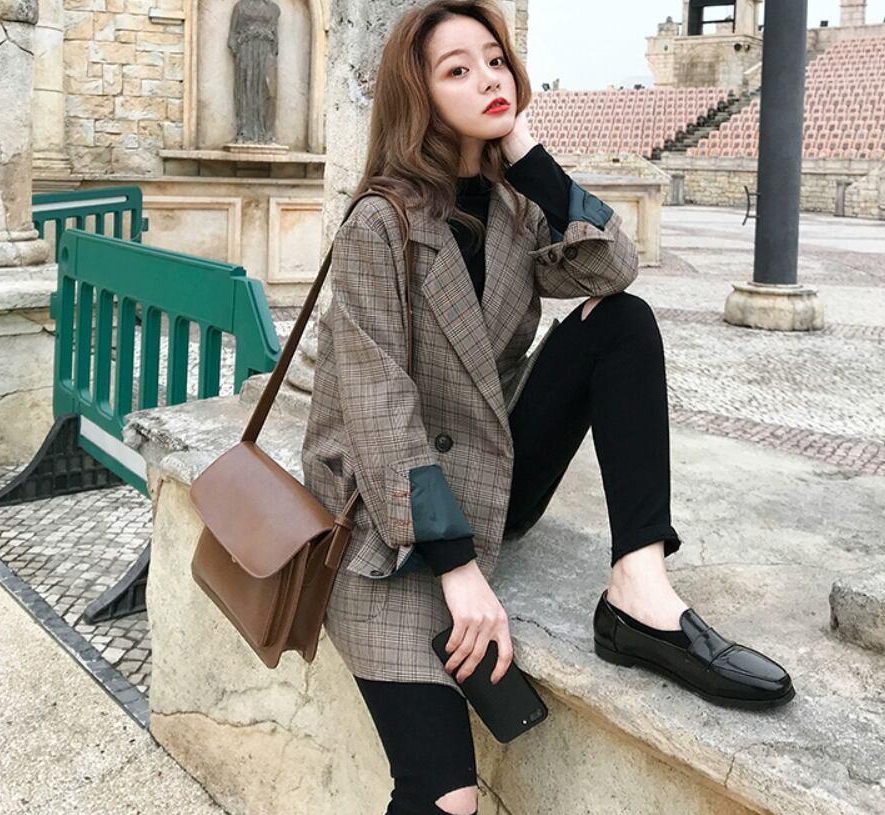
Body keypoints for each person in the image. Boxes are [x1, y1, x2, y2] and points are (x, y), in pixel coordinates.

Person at [300, 2, 795, 813]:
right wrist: (458, 571)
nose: (487, 78)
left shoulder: (517, 208)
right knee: (446, 794)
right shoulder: (378, 224)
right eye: (457, 69)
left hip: (492, 474)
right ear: (419, 96)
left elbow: (614, 269)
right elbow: (379, 407)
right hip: (384, 527)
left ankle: (639, 588)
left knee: (622, 322)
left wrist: (530, 159)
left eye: (495, 60)